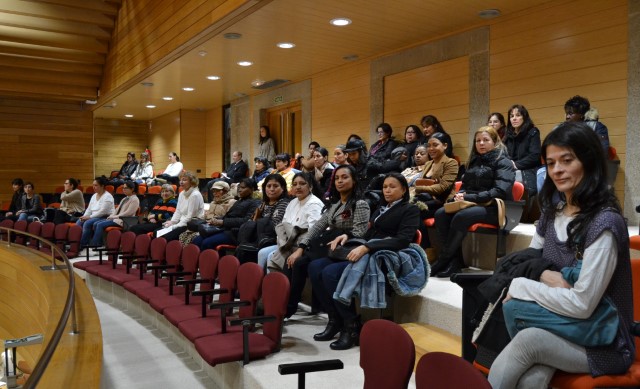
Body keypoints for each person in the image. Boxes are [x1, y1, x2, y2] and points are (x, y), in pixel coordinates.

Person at [488, 122, 633, 388]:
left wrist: (522, 285)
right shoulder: (552, 210)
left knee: (528, 340)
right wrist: (544, 275)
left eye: (567, 160)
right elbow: (533, 257)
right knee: (532, 366)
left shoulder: (604, 223)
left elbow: (582, 303)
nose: (557, 170)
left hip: (605, 338)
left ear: (588, 162)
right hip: (559, 318)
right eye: (551, 162)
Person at [308, 173, 420, 350]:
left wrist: (369, 247)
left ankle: (351, 325)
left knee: (330, 273)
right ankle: (334, 318)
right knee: (315, 267)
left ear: (404, 190)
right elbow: (367, 232)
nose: (387, 190)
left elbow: (403, 240)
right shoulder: (382, 208)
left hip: (382, 256)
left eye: (392, 186)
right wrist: (347, 235)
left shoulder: (410, 210)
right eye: (384, 187)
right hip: (365, 250)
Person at [285, 165, 370, 318]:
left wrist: (346, 235)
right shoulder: (336, 205)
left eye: (345, 177)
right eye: (337, 178)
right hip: (331, 247)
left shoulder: (360, 204)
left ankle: (338, 317)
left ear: (354, 181)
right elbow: (317, 227)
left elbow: (360, 231)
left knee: (311, 266)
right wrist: (301, 247)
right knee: (298, 261)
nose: (340, 181)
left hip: (347, 249)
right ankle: (329, 316)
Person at [431, 126, 515, 278]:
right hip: (473, 205)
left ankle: (443, 260)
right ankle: (455, 263)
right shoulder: (473, 161)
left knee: (461, 217)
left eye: (485, 140)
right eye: (478, 141)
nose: (481, 143)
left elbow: (500, 191)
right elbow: (464, 187)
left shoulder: (504, 162)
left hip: (496, 207)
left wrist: (469, 197)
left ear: (495, 142)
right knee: (441, 214)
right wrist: (459, 195)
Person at [257, 172, 324, 273]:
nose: (298, 187)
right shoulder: (292, 202)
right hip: (286, 243)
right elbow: (282, 226)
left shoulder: (314, 204)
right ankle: (261, 286)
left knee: (271, 256)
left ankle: (274, 287)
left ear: (310, 187)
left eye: (302, 183)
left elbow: (314, 232)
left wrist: (298, 249)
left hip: (303, 245)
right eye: (295, 184)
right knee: (262, 253)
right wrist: (282, 244)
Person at [234, 174, 291, 264]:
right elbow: (250, 222)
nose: (272, 189)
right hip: (256, 238)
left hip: (271, 239)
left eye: (275, 186)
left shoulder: (284, 203)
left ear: (283, 188)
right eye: (269, 186)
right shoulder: (264, 203)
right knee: (242, 247)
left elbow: (275, 225)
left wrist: (257, 219)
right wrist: (256, 218)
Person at [192, 178, 260, 250]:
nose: (239, 190)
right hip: (225, 229)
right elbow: (227, 216)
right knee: (197, 240)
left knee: (207, 243)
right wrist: (216, 220)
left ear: (252, 189)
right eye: (239, 187)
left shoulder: (255, 203)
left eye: (243, 187)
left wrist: (223, 222)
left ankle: (213, 261)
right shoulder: (239, 201)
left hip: (236, 233)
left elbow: (246, 221)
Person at [412, 133, 458, 218]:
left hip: (440, 201)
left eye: (435, 145)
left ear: (445, 146)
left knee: (412, 211)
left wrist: (419, 189)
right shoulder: (428, 164)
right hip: (425, 198)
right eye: (429, 146)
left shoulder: (451, 163)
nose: (431, 149)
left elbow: (442, 187)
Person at [179, 180, 235, 245]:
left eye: (217, 191)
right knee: (184, 235)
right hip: (206, 226)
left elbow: (227, 219)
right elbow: (206, 216)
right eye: (213, 191)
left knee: (196, 240)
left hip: (217, 228)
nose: (214, 193)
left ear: (226, 191)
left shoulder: (232, 202)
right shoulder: (213, 202)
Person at [503, 104, 542, 195]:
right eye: (511, 116)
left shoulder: (533, 132)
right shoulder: (508, 135)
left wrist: (516, 165)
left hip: (527, 169)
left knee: (512, 180)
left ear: (524, 117)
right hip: (510, 169)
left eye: (518, 115)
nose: (514, 118)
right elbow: (503, 154)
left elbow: (535, 156)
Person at [90, 181, 140, 246]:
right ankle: (101, 243)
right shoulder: (125, 198)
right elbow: (116, 210)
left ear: (132, 189)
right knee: (96, 223)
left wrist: (115, 217)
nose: (124, 190)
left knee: (100, 225)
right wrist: (111, 216)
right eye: (123, 188)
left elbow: (128, 213)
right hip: (116, 219)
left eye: (126, 188)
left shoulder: (135, 199)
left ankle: (95, 245)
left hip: (123, 221)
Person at [158, 171, 204, 241]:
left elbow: (190, 218)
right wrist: (172, 222)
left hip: (189, 225)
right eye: (181, 180)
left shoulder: (195, 195)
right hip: (180, 223)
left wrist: (175, 226)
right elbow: (178, 211)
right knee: (157, 233)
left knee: (166, 237)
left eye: (184, 180)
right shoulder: (182, 193)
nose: (181, 182)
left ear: (192, 182)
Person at [78, 176, 115, 247]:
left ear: (102, 186)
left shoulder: (108, 196)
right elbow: (89, 209)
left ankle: (82, 244)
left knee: (87, 223)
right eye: (93, 185)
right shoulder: (94, 195)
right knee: (79, 221)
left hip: (105, 217)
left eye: (96, 185)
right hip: (94, 216)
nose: (93, 187)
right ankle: (76, 242)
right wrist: (84, 216)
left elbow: (102, 212)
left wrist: (89, 217)